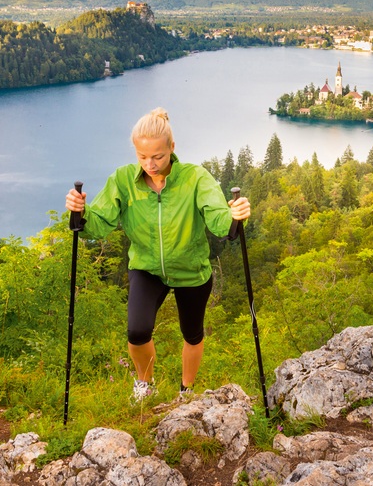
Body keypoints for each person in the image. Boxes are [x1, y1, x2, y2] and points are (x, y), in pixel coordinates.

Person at [65, 107, 251, 402]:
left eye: (158, 156)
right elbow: (99, 223)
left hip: (191, 269)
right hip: (147, 268)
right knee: (137, 332)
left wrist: (235, 216)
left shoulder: (195, 178)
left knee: (192, 333)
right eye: (142, 157)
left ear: (172, 149)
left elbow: (219, 220)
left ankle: (186, 390)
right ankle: (145, 384)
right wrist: (80, 213)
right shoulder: (123, 180)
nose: (150, 164)